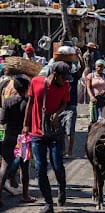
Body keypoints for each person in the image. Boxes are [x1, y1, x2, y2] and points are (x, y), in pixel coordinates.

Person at [22, 61, 71, 213]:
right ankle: (48, 203)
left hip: (55, 132)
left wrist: (58, 113)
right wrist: (25, 125)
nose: (66, 80)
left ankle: (62, 189)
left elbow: (64, 103)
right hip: (37, 133)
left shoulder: (65, 86)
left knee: (57, 165)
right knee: (40, 169)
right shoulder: (36, 82)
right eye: (64, 77)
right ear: (55, 75)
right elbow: (30, 103)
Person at [0, 76, 36, 207]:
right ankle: (25, 195)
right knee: (24, 167)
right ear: (27, 88)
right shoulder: (29, 102)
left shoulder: (7, 102)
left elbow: (2, 121)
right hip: (24, 139)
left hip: (9, 136)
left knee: (4, 166)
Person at [60, 47, 85, 158]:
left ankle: (69, 152)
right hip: (59, 107)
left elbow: (82, 67)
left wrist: (79, 55)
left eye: (69, 65)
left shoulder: (74, 76)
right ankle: (63, 150)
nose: (68, 67)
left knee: (70, 131)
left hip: (71, 106)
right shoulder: (60, 77)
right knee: (61, 132)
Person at [86, 59, 105, 124]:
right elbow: (88, 87)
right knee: (93, 120)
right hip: (94, 100)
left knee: (103, 121)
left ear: (104, 67)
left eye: (101, 66)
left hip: (104, 101)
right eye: (98, 66)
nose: (99, 68)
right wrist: (91, 97)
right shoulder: (90, 76)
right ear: (95, 66)